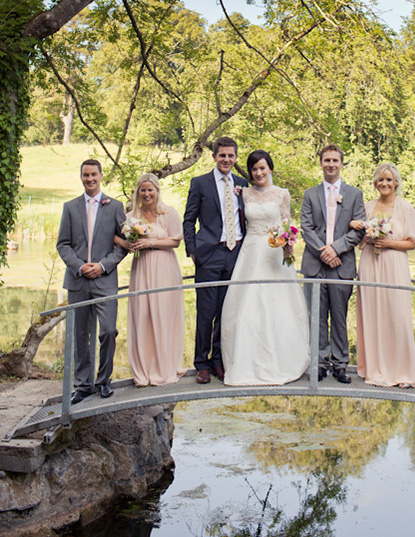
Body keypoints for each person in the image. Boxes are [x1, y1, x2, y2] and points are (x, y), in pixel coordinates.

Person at [221, 150, 309, 385]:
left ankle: (283, 359)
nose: (258, 173)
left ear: (270, 167)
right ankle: (245, 360)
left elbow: (287, 226)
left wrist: (288, 247)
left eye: (262, 168)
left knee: (278, 306)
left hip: (274, 253)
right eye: (254, 169)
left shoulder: (282, 194)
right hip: (250, 252)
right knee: (246, 306)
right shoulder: (243, 193)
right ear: (250, 172)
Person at [57, 159, 127, 404]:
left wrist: (103, 265)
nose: (89, 179)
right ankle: (83, 384)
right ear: (81, 177)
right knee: (80, 334)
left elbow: (124, 245)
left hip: (105, 280)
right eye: (85, 175)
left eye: (93, 175)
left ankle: (104, 381)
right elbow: (62, 244)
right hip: (78, 280)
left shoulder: (115, 207)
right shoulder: (70, 207)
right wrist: (79, 266)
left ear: (101, 176)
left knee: (109, 330)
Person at [183, 137, 248, 384]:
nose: (227, 160)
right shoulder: (200, 184)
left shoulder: (242, 184)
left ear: (235, 157)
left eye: (231, 156)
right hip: (208, 255)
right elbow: (188, 220)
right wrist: (193, 250)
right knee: (206, 311)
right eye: (222, 155)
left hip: (235, 255)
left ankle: (218, 361)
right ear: (214, 157)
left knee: (226, 311)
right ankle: (201, 363)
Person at [300, 144, 366, 383]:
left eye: (335, 160)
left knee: (339, 316)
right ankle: (318, 362)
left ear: (341, 163)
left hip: (342, 264)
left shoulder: (355, 194)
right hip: (315, 265)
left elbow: (359, 230)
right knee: (316, 316)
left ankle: (340, 364)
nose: (330, 164)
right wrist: (323, 252)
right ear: (321, 163)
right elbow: (306, 229)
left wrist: (336, 249)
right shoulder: (310, 194)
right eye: (326, 160)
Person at [351, 163, 415, 388]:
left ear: (396, 183)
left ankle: (402, 371)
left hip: (394, 265)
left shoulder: (406, 208)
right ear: (375, 183)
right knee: (372, 314)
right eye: (381, 180)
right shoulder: (367, 206)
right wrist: (365, 234)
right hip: (370, 264)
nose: (385, 184)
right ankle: (373, 368)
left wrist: (388, 242)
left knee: (397, 316)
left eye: (389, 180)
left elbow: (411, 243)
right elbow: (359, 241)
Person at [115, 173, 186, 387]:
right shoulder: (131, 216)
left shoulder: (168, 213)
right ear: (138, 192)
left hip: (164, 268)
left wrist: (150, 243)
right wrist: (127, 244)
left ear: (157, 191)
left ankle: (164, 367)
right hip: (142, 269)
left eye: (150, 190)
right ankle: (143, 370)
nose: (147, 194)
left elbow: (175, 242)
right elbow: (117, 237)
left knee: (163, 314)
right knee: (142, 315)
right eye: (143, 190)